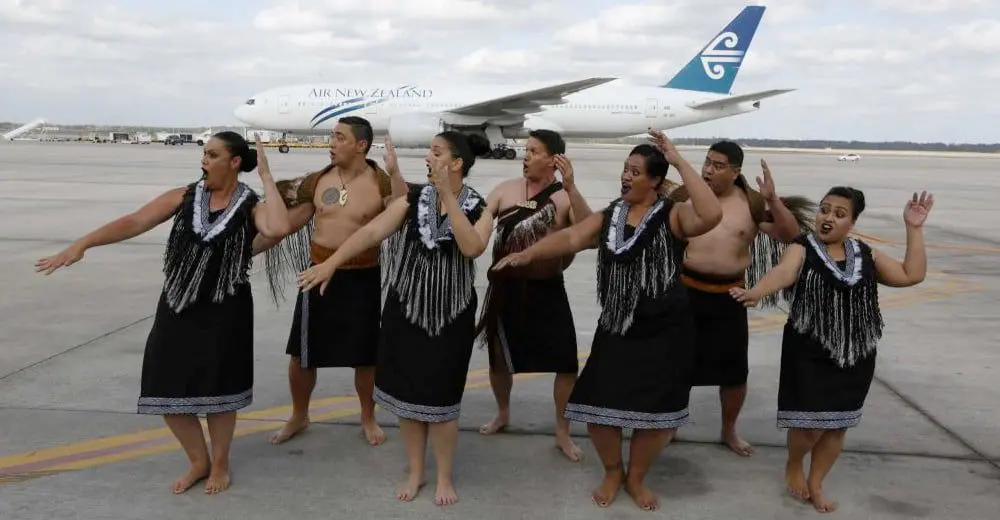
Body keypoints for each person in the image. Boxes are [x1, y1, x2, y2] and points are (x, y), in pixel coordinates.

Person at [35, 132, 292, 495]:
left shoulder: (251, 205)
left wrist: (266, 177)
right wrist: (84, 243)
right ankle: (198, 460)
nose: (204, 159)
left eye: (213, 154)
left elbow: (279, 228)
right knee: (164, 386)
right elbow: (136, 221)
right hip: (177, 305)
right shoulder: (184, 196)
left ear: (235, 162)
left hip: (226, 310)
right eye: (204, 152)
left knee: (220, 391)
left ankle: (219, 462)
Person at [492, 131, 723, 511]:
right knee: (599, 408)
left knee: (656, 415)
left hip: (666, 330)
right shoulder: (611, 215)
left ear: (655, 180)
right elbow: (571, 237)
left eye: (635, 171)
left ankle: (636, 477)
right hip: (617, 326)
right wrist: (527, 254)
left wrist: (680, 160)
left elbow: (711, 214)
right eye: (625, 169)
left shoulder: (674, 216)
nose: (626, 176)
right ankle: (613, 470)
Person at [296, 131, 493, 506]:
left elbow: (472, 247)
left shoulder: (481, 207)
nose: (428, 158)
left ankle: (445, 476)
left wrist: (447, 195)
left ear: (456, 164)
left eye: (436, 153)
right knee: (407, 398)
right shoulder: (411, 200)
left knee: (442, 401)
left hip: (450, 316)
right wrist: (332, 263)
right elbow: (371, 230)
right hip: (406, 311)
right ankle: (416, 470)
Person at [730, 187, 933, 513]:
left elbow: (912, 274)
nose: (828, 218)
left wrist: (914, 228)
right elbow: (784, 273)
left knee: (837, 425)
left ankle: (816, 482)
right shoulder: (802, 247)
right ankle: (795, 462)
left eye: (839, 214)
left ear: (852, 222)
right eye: (824, 210)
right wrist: (756, 291)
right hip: (808, 350)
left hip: (855, 353)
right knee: (808, 425)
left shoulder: (865, 253)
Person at [252, 116, 407, 447]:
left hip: (362, 277)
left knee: (365, 356)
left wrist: (395, 173)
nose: (331, 144)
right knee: (301, 354)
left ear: (360, 145)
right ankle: (299, 414)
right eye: (332, 137)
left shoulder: (380, 183)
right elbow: (289, 224)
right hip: (317, 273)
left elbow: (399, 212)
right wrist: (246, 253)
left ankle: (367, 416)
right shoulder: (317, 181)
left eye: (339, 137)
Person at [663, 140, 815, 456]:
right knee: (676, 365)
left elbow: (789, 235)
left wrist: (773, 198)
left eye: (718, 165)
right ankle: (670, 423)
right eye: (706, 162)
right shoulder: (684, 195)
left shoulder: (753, 203)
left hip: (729, 296)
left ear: (735, 172)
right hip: (685, 291)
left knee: (733, 373)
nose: (708, 170)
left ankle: (728, 430)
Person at [474, 129, 593, 461]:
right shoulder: (506, 190)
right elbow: (479, 226)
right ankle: (503, 412)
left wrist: (571, 187)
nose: (525, 156)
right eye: (525, 150)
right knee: (500, 360)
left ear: (554, 159)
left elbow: (588, 233)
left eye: (534, 151)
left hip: (548, 289)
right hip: (506, 289)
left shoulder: (564, 197)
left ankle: (562, 431)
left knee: (566, 363)